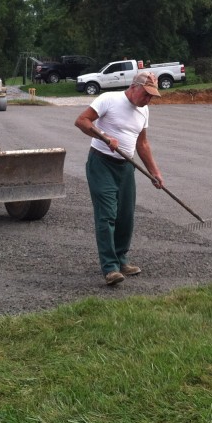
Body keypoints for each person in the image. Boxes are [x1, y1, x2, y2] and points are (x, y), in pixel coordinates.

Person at [74, 71, 165, 285]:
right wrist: (104, 137)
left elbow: (142, 143)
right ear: (134, 87)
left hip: (126, 167)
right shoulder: (109, 99)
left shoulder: (144, 111)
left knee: (126, 216)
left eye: (152, 96)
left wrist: (154, 172)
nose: (148, 99)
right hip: (101, 164)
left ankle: (122, 259)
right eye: (146, 94)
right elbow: (81, 121)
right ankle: (110, 268)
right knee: (107, 215)